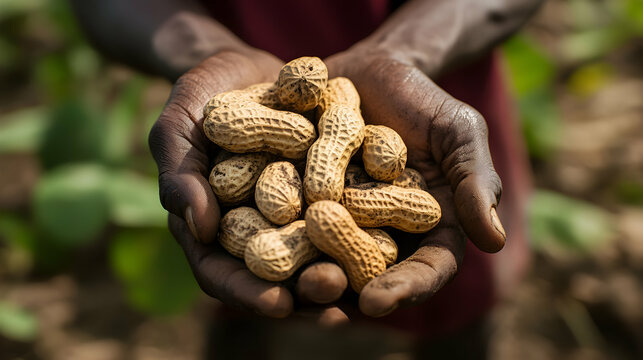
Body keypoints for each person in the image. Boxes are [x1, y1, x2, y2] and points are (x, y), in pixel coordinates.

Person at [71, 0, 541, 357]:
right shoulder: (274, 133)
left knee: (459, 305)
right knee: (256, 305)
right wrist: (207, 51)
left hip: (426, 107)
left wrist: (405, 51)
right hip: (248, 74)